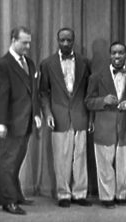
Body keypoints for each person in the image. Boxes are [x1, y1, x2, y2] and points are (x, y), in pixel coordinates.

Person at [40, 27, 91, 208]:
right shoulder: (47, 64)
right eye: (62, 40)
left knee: (81, 155)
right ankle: (63, 194)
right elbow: (44, 93)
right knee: (61, 158)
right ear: (57, 41)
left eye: (69, 40)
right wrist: (47, 113)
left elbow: (89, 92)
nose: (66, 43)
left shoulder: (85, 62)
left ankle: (80, 193)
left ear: (74, 41)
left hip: (80, 115)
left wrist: (90, 117)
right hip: (59, 116)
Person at [0, 26, 42, 215]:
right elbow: (1, 95)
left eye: (29, 42)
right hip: (11, 122)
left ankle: (16, 194)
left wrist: (36, 114)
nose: (28, 46)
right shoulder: (3, 64)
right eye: (24, 42)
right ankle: (8, 201)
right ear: (13, 40)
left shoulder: (29, 63)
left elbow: (33, 92)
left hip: (26, 121)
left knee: (18, 161)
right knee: (8, 162)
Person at [85, 42, 126, 209]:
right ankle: (107, 197)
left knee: (122, 164)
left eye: (120, 53)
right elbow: (88, 102)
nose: (117, 56)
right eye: (114, 53)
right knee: (104, 165)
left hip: (123, 127)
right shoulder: (96, 77)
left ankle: (120, 195)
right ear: (109, 55)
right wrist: (103, 101)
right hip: (104, 126)